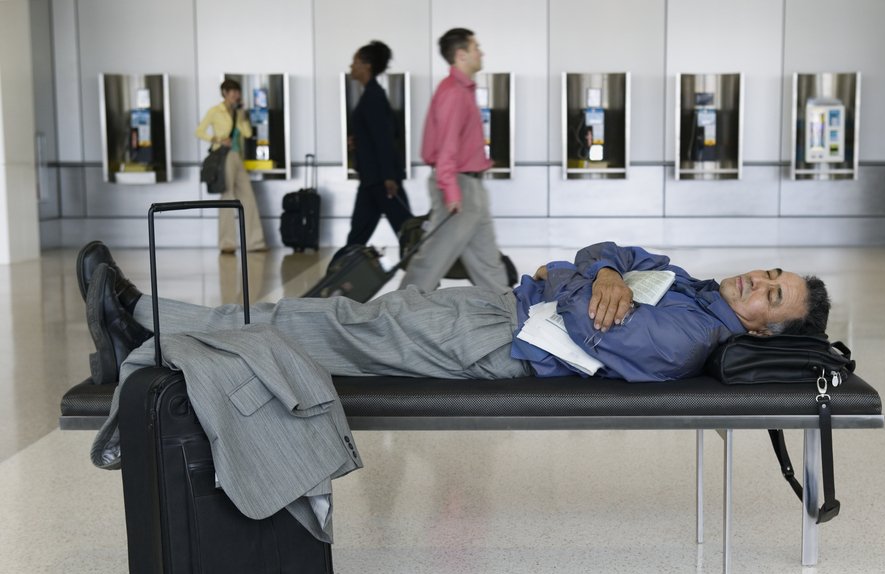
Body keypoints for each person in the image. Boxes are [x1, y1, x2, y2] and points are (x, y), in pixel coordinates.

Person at [78, 240, 830, 386]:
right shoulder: (695, 287)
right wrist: (598, 268)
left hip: (496, 340)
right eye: (769, 272)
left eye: (771, 294)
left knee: (329, 326)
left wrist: (575, 275)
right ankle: (150, 334)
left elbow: (581, 314)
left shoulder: (689, 334)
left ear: (764, 327)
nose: (755, 283)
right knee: (333, 326)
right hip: (499, 310)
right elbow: (610, 250)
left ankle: (146, 320)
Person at [400, 28, 508, 294]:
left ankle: (509, 313)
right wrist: (451, 190)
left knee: (487, 262)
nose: (481, 52)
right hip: (459, 186)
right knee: (432, 260)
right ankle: (395, 312)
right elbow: (446, 146)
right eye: (476, 48)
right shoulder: (453, 92)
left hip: (472, 185)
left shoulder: (464, 90)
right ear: (461, 55)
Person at [338, 40, 411, 256]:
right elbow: (377, 135)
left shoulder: (374, 97)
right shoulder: (372, 95)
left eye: (355, 62)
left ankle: (424, 280)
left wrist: (389, 177)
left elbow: (385, 138)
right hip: (373, 179)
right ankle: (338, 282)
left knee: (407, 233)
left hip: (382, 181)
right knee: (358, 237)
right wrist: (358, 141)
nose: (351, 66)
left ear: (366, 65)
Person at [196, 79, 268, 254]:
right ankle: (227, 243)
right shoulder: (215, 111)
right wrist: (217, 139)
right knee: (227, 197)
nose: (235, 95)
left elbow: (248, 133)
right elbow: (199, 131)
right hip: (224, 155)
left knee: (248, 197)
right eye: (232, 92)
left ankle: (255, 242)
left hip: (237, 156)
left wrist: (242, 116)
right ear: (225, 93)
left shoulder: (238, 112)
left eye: (237, 91)